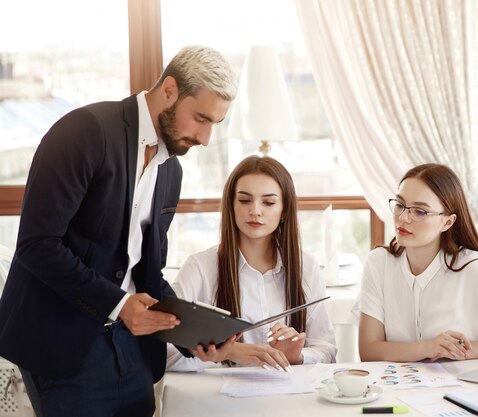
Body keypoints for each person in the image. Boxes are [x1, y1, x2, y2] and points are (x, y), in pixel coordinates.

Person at [0, 45, 239, 417]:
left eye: (215, 125)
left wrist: (197, 336)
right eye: (201, 119)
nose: (206, 138)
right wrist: (119, 304)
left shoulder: (171, 171)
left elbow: (147, 271)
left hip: (133, 346)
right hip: (64, 342)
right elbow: (37, 244)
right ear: (170, 90)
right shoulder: (85, 131)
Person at [358, 163, 478, 362]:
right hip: (399, 390)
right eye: (400, 205)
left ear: (447, 222)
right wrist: (427, 348)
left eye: (420, 211)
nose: (403, 218)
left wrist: (462, 351)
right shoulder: (378, 264)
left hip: (465, 388)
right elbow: (369, 350)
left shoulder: (477, 270)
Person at [166, 155, 336, 372]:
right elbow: (162, 353)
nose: (255, 210)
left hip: (287, 395)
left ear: (284, 210)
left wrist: (298, 356)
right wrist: (228, 352)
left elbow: (328, 351)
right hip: (218, 400)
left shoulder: (306, 266)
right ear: (231, 205)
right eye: (245, 200)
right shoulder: (200, 267)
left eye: (269, 202)